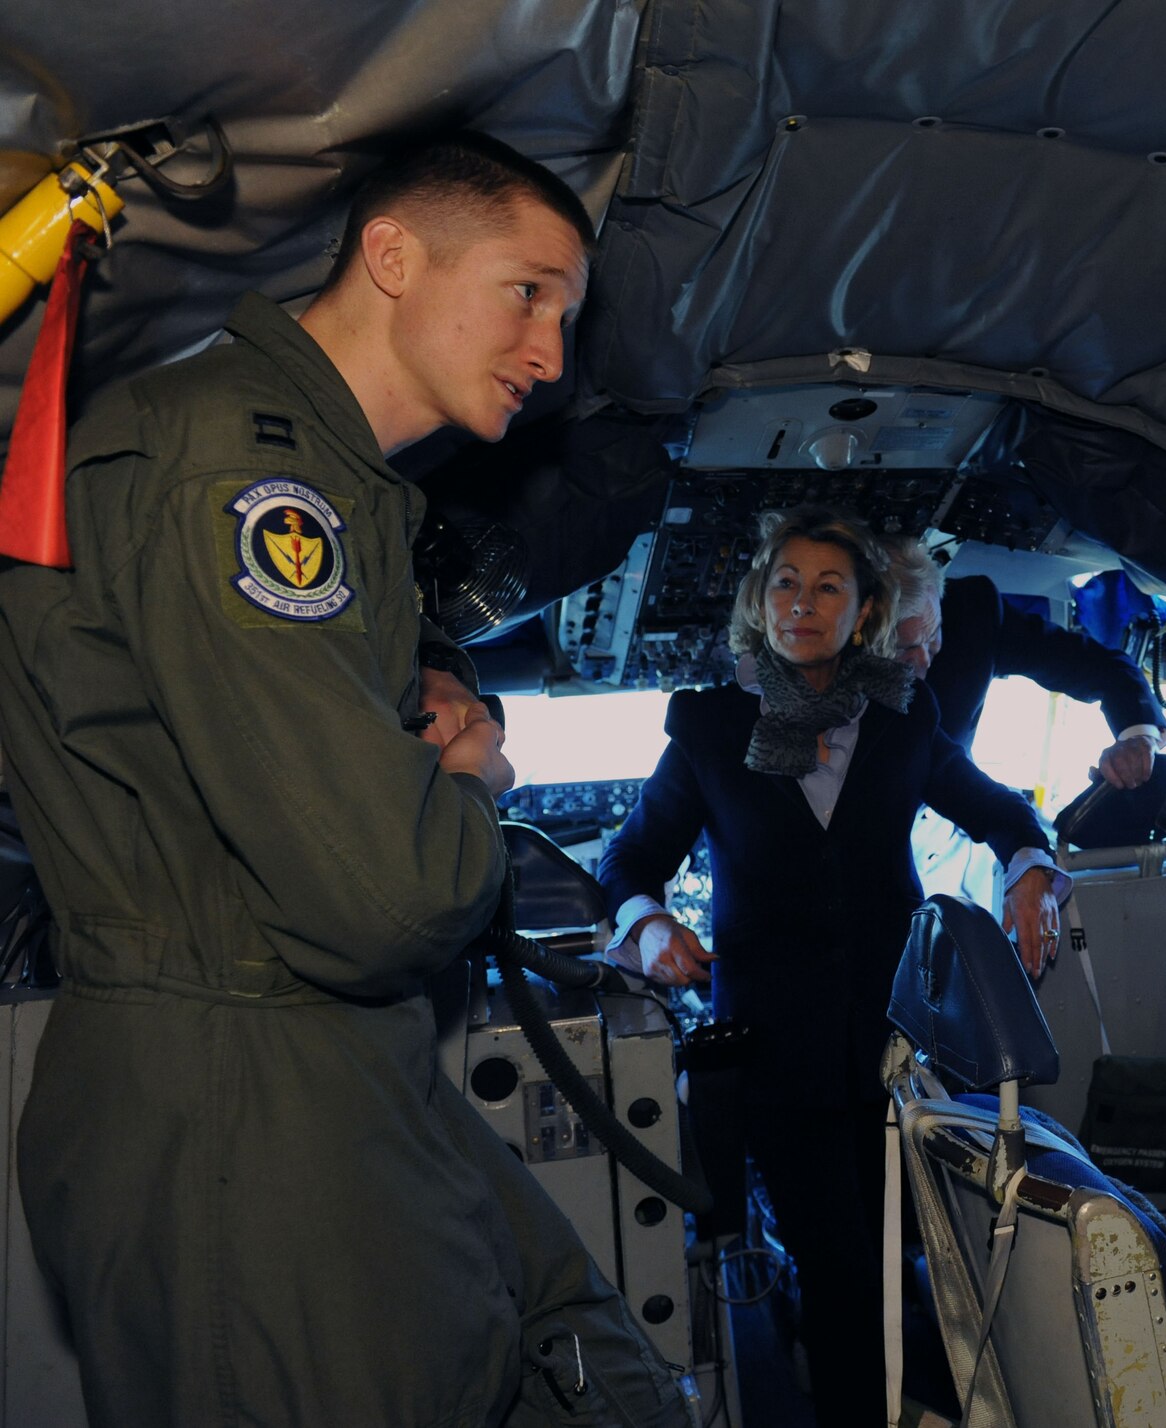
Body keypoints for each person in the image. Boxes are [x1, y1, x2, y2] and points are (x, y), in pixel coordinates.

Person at [0, 132, 689, 1425]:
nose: (550, 355)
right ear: (392, 256)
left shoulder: (334, 489)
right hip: (237, 1102)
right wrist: (472, 788)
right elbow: (384, 896)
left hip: (317, 1069)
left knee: (580, 1359)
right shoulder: (239, 468)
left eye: (568, 317)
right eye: (526, 292)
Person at [595, 506, 1063, 1426]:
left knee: (897, 1256)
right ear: (758, 601)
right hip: (776, 1054)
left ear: (864, 612)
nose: (801, 603)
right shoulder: (708, 729)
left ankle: (878, 1385)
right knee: (843, 1265)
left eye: (827, 587)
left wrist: (1033, 872)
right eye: (785, 583)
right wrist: (649, 927)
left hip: (894, 1052)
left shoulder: (902, 716)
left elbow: (1001, 811)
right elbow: (628, 860)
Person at [886, 538, 1166, 790]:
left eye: (933, 634)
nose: (924, 657)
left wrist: (1139, 737)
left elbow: (1105, 668)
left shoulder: (971, 613)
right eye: (905, 648)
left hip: (957, 809)